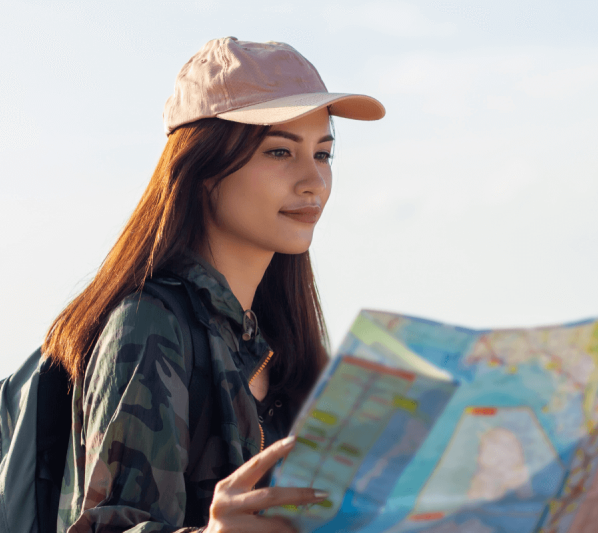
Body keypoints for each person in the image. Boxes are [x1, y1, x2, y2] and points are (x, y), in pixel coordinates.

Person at [42, 37, 385, 533]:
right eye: (280, 151)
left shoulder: (281, 341)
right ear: (203, 167)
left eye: (324, 154)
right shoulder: (147, 326)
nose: (313, 180)